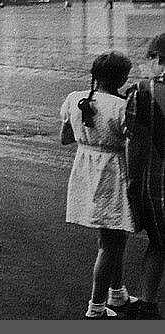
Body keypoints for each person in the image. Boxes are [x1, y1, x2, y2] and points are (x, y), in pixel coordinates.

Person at [60, 51, 136, 319]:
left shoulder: (73, 99)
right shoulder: (122, 106)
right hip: (112, 172)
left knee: (113, 236)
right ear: (123, 78)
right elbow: (132, 146)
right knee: (112, 241)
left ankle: (117, 292)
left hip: (86, 168)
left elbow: (65, 138)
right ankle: (96, 306)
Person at [125, 33, 165, 320]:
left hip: (155, 186)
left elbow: (135, 146)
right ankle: (148, 305)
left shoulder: (140, 93)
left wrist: (132, 185)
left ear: (157, 60)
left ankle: (148, 304)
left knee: (158, 242)